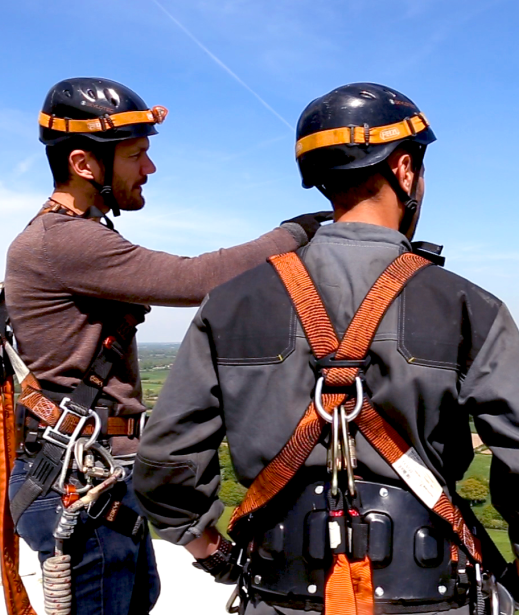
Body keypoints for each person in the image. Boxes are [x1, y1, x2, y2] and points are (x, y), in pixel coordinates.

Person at [133, 82, 519, 615]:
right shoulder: (466, 305)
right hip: (429, 595)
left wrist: (217, 557)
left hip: (278, 594)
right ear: (406, 169)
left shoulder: (230, 304)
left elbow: (164, 462)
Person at [0, 77, 329, 615]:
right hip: (80, 485)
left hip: (95, 476)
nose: (148, 169)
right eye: (136, 156)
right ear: (85, 165)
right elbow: (197, 279)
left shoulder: (73, 235)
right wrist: (298, 231)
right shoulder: (62, 240)